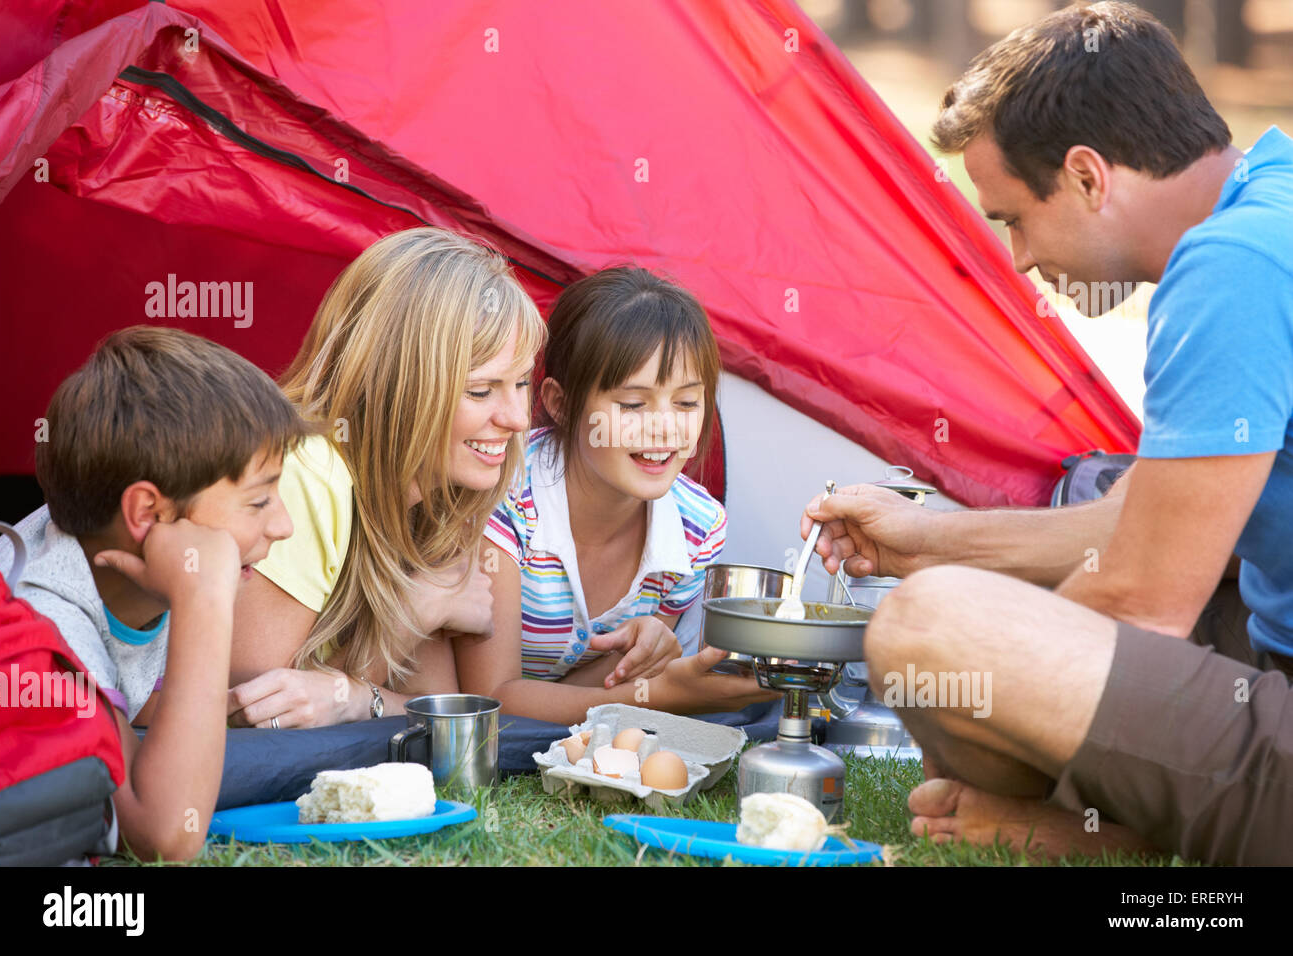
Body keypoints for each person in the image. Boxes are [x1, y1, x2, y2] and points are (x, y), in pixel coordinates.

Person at [802, 1, 1293, 864]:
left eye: (1014, 219)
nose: (1022, 259)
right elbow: (1151, 524)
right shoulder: (1271, 196)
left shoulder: (1232, 266)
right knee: (1090, 506)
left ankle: (1122, 833)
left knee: (926, 632)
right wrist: (924, 540)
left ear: (1088, 176)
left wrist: (989, 692)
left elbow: (1147, 598)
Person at [0, 327, 307, 860]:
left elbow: (155, 712)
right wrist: (203, 598)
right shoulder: (43, 613)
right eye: (258, 503)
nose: (285, 525)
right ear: (147, 515)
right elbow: (162, 835)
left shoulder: (129, 570)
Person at [226, 227, 547, 726]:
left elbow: (436, 713)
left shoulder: (438, 492)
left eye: (522, 382)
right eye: (482, 390)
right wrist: (414, 615)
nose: (518, 418)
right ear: (399, 386)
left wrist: (355, 698)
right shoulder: (309, 472)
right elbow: (256, 716)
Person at [458, 267, 774, 724]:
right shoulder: (505, 498)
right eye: (633, 404)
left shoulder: (698, 529)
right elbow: (490, 702)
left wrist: (642, 662)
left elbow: (592, 693)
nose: (666, 427)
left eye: (686, 402)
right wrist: (663, 695)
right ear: (561, 404)